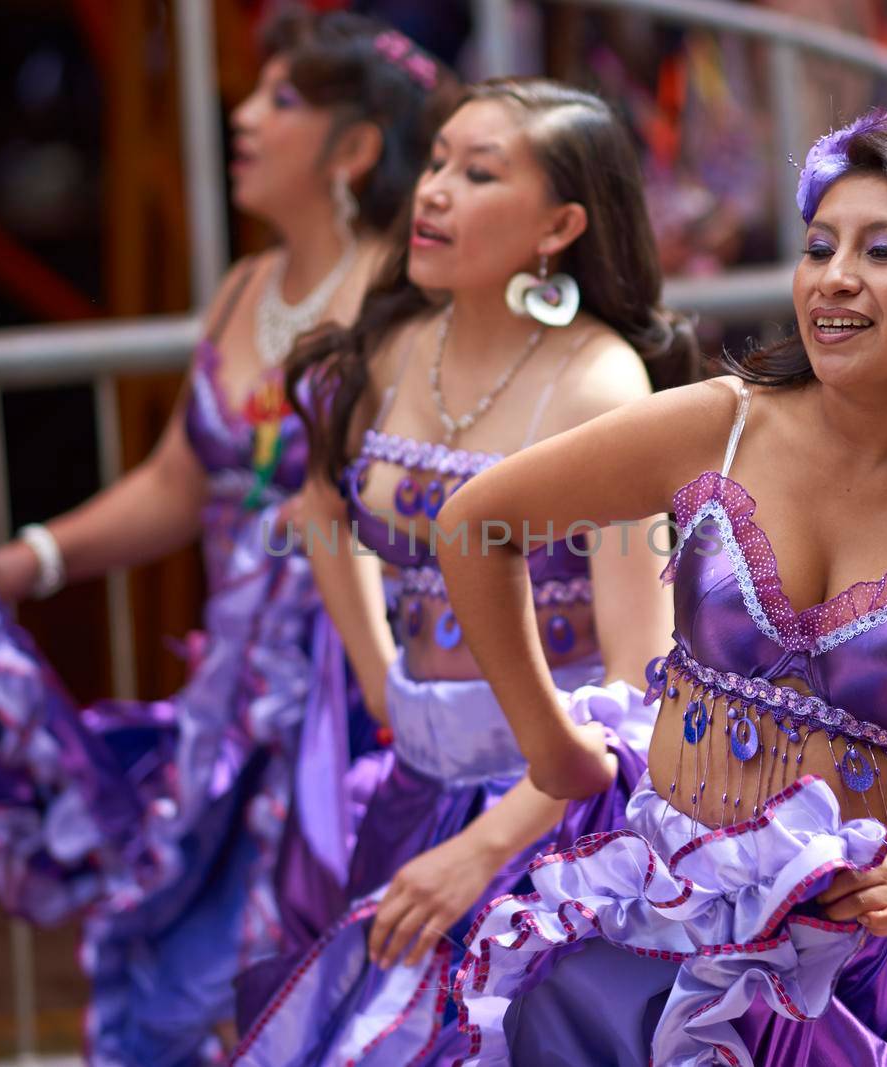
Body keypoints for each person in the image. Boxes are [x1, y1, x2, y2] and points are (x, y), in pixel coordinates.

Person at [437, 93, 887, 1066]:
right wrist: (551, 746)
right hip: (668, 924)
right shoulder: (718, 424)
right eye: (816, 246)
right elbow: (474, 523)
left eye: (881, 250)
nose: (833, 279)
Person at [0, 12, 448, 1063]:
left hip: (348, 719)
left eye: (280, 100)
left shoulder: (410, 296)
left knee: (297, 981)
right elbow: (177, 477)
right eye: (254, 94)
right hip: (230, 712)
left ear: (353, 148)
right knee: (170, 980)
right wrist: (38, 555)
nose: (242, 118)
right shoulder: (245, 287)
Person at [229, 78, 694, 1065]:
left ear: (560, 225)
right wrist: (379, 677)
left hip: (558, 816)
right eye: (436, 161)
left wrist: (490, 844)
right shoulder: (393, 348)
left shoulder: (599, 381)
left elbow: (637, 680)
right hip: (413, 786)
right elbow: (321, 508)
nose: (433, 191)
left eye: (479, 173)